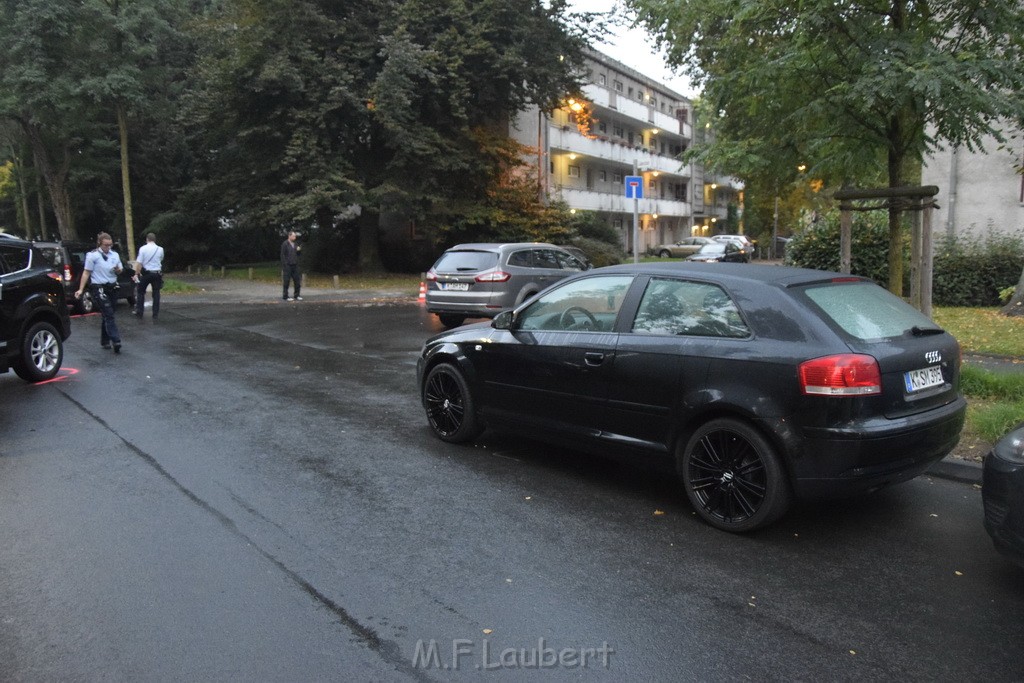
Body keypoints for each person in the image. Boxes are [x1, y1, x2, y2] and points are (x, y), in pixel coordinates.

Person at [75, 232, 125, 353]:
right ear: (100, 244)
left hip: (112, 286)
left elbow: (120, 269)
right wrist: (81, 289)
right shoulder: (93, 256)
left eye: (110, 245)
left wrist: (118, 270)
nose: (108, 247)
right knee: (108, 313)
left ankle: (105, 340)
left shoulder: (115, 255)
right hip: (99, 286)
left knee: (108, 314)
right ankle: (116, 340)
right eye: (106, 245)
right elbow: (86, 272)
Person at [134, 232, 165, 319]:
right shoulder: (160, 249)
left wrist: (136, 273)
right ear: (155, 240)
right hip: (157, 273)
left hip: (146, 274)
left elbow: (139, 263)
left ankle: (139, 311)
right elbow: (161, 259)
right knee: (156, 293)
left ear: (147, 239)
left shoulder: (142, 249)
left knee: (141, 292)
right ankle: (155, 313)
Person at [281, 230, 302, 301]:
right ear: (289, 236)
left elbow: (298, 254)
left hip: (295, 265)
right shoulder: (285, 244)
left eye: (295, 236)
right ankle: (285, 296)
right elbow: (283, 255)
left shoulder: (295, 244)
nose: (295, 237)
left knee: (297, 281)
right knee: (286, 281)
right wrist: (285, 264)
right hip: (288, 265)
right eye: (293, 236)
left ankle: (297, 295)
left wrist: (299, 250)